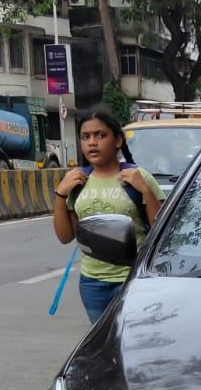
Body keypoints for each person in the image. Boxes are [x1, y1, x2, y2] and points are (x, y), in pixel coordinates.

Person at [51, 107, 162, 323]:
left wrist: (146, 191)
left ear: (118, 140)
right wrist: (60, 194)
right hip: (92, 283)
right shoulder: (77, 181)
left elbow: (161, 229)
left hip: (133, 279)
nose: (92, 143)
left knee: (131, 337)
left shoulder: (138, 176)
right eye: (85, 137)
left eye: (100, 135)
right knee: (103, 339)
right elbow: (65, 237)